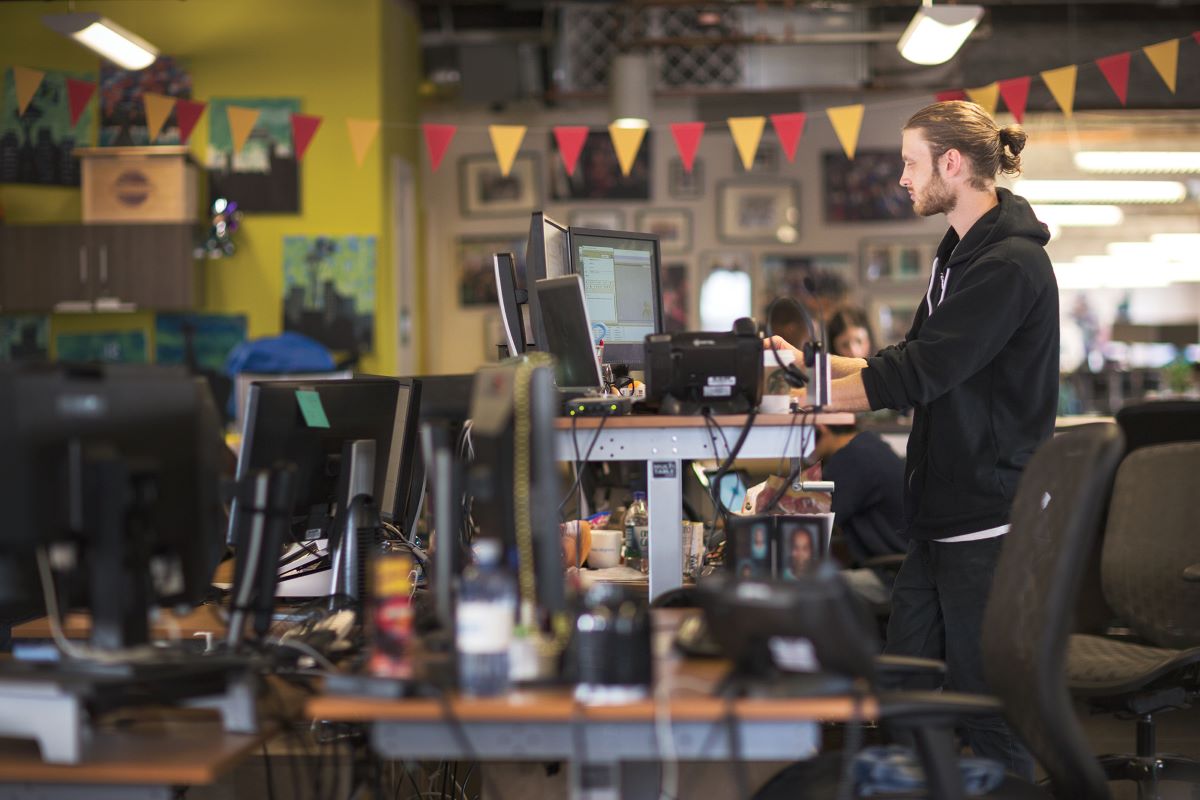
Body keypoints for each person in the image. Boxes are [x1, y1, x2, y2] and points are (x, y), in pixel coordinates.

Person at [764, 100, 1058, 779]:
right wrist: (793, 364)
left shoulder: (1008, 265)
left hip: (987, 523)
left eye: (910, 163)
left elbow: (920, 374)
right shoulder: (959, 256)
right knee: (899, 697)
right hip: (940, 518)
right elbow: (901, 357)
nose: (901, 178)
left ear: (951, 165)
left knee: (988, 712)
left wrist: (806, 396)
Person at [810, 422, 906, 605]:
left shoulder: (852, 459)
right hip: (902, 570)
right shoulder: (869, 446)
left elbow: (816, 519)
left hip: (890, 577)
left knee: (804, 588)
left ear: (821, 429)